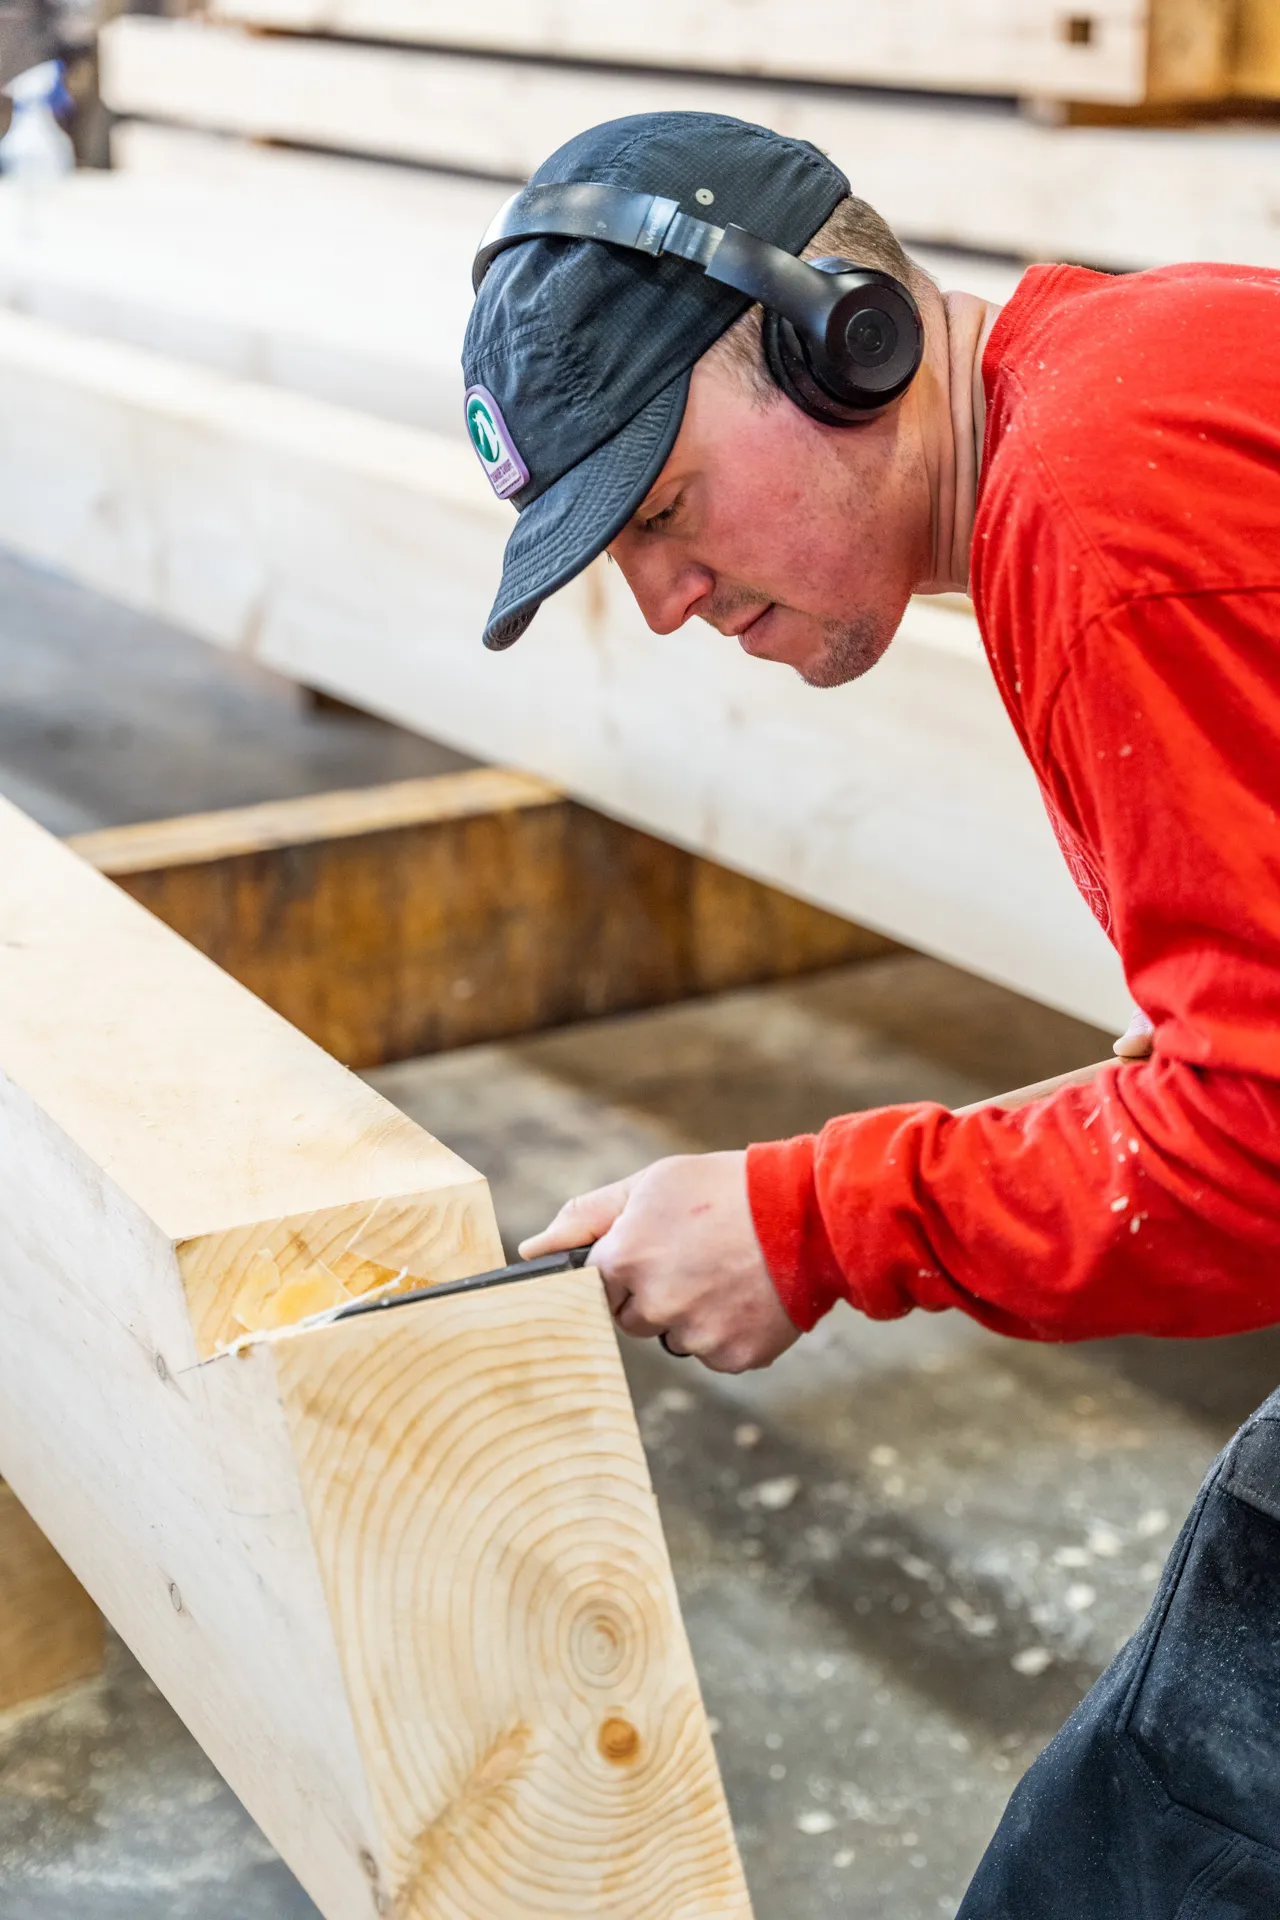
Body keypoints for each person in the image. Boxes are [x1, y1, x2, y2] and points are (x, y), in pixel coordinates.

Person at [463, 111, 1280, 1913]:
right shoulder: (1129, 402)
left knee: (1149, 1843)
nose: (664, 602)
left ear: (847, 339)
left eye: (663, 510)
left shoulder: (1107, 504)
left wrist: (815, 1219)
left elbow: (1262, 1144)